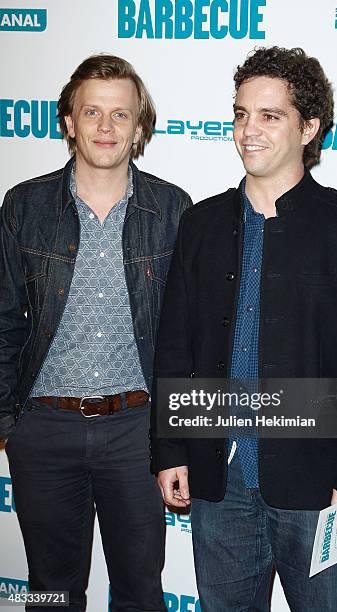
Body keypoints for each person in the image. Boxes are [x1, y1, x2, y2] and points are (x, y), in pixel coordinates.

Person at [151, 46, 337, 611]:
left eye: (270, 115)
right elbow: (174, 350)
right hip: (221, 478)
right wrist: (170, 448)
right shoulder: (201, 224)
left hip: (319, 487)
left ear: (309, 127)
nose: (248, 131)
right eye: (241, 114)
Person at [0, 54, 192, 612]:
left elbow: (186, 335)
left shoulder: (172, 209)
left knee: (139, 592)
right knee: (52, 595)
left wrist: (175, 432)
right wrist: (12, 425)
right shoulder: (25, 205)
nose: (106, 128)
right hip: (44, 431)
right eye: (92, 113)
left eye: (120, 116)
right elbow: (5, 318)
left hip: (137, 432)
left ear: (139, 128)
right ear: (68, 121)